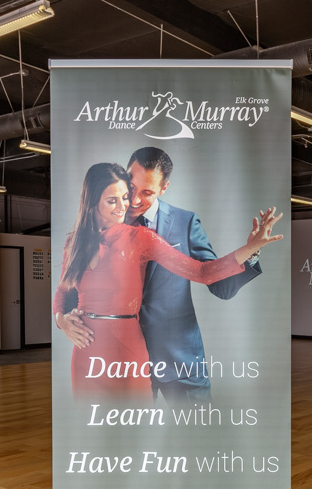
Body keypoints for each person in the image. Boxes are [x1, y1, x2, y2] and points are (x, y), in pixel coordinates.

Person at [53, 163, 281, 400]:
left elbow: (203, 272)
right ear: (91, 202)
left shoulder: (140, 238)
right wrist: (62, 320)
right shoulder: (73, 243)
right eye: (112, 201)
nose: (123, 207)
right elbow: (62, 292)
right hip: (86, 351)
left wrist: (251, 248)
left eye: (125, 197)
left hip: (129, 347)